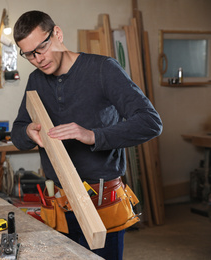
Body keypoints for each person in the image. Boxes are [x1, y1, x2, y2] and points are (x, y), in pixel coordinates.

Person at [11, 10, 163, 260]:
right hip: (58, 203)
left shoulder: (103, 69)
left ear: (57, 33)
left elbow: (150, 122)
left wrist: (93, 136)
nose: (38, 59)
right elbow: (18, 133)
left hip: (102, 203)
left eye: (42, 47)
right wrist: (28, 131)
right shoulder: (36, 81)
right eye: (29, 54)